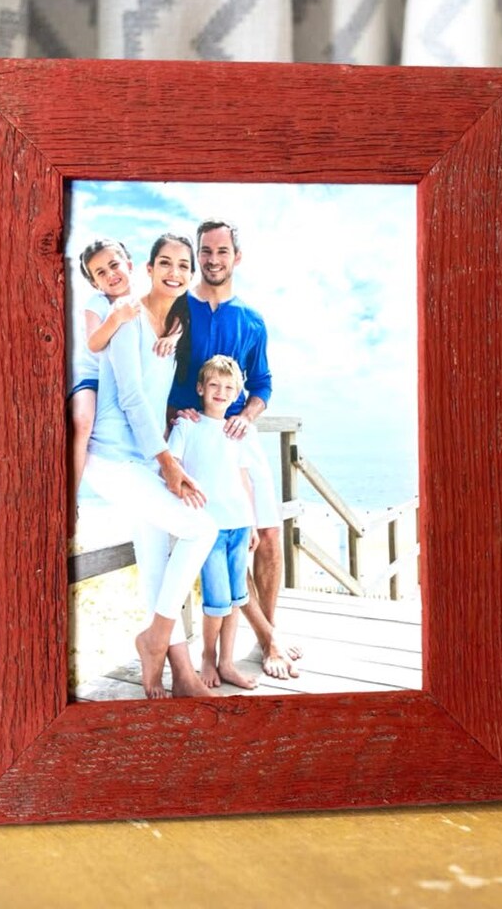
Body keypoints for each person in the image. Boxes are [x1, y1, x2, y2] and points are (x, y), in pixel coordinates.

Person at [79, 233, 217, 699]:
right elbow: (132, 399)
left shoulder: (171, 327)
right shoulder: (127, 319)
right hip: (114, 460)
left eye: (183, 265)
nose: (175, 272)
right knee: (202, 529)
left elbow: (155, 397)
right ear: (149, 268)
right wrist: (168, 463)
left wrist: (175, 422)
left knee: (157, 568)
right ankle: (154, 638)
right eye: (166, 263)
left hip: (141, 460)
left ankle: (183, 676)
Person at [167, 219, 300, 679]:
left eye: (222, 251)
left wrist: (249, 415)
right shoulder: (177, 309)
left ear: (236, 257)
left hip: (239, 438)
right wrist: (174, 414)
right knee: (219, 534)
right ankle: (266, 640)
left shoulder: (252, 320)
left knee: (269, 534)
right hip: (194, 438)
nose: (213, 260)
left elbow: (262, 384)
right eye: (205, 251)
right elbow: (158, 369)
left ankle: (267, 634)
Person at [167, 355, 260, 691]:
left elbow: (244, 479)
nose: (221, 392)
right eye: (214, 385)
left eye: (229, 387)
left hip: (239, 524)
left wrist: (252, 524)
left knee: (236, 599)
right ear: (200, 388)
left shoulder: (237, 431)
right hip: (208, 528)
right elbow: (171, 466)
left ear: (237, 394)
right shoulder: (187, 426)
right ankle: (208, 656)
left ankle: (227, 663)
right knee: (216, 602)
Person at [68, 239, 180, 512]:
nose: (110, 274)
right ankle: (70, 499)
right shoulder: (98, 303)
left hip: (124, 379)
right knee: (83, 420)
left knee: (156, 418)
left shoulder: (144, 298)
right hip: (93, 378)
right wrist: (116, 317)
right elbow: (94, 343)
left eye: (114, 265)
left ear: (129, 265)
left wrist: (174, 337)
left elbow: (177, 316)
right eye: (101, 273)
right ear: (95, 283)